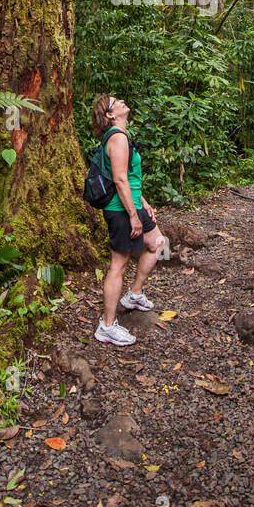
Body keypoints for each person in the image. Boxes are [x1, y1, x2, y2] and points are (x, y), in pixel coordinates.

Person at [90, 94, 166, 347]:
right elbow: (120, 181)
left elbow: (127, 177)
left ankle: (134, 294)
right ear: (110, 114)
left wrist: (142, 203)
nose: (122, 101)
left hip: (131, 205)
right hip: (121, 210)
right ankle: (107, 326)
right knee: (118, 265)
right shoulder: (117, 139)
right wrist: (133, 216)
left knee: (157, 243)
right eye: (116, 102)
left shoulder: (119, 137)